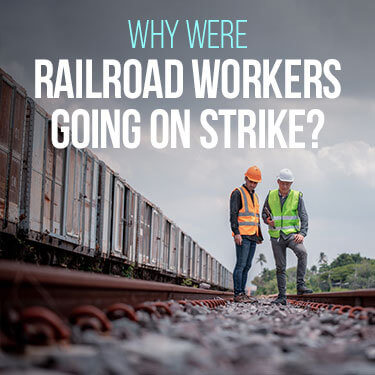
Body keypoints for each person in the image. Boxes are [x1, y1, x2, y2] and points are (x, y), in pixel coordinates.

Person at [262, 168, 312, 305]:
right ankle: (282, 296)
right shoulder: (271, 195)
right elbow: (264, 214)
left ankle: (300, 285)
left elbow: (304, 216)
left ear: (291, 183)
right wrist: (267, 220)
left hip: (291, 234)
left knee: (302, 253)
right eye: (282, 183)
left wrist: (302, 233)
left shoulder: (297, 196)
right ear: (278, 181)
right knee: (280, 267)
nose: (285, 186)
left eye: (288, 184)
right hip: (276, 235)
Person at [230, 166, 263, 303]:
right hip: (242, 236)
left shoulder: (255, 196)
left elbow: (255, 217)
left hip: (252, 236)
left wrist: (259, 235)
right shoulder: (238, 193)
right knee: (241, 265)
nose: (253, 184)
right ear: (245, 179)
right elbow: (233, 214)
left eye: (255, 182)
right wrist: (236, 233)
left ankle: (242, 293)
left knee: (247, 265)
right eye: (251, 181)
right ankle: (238, 294)